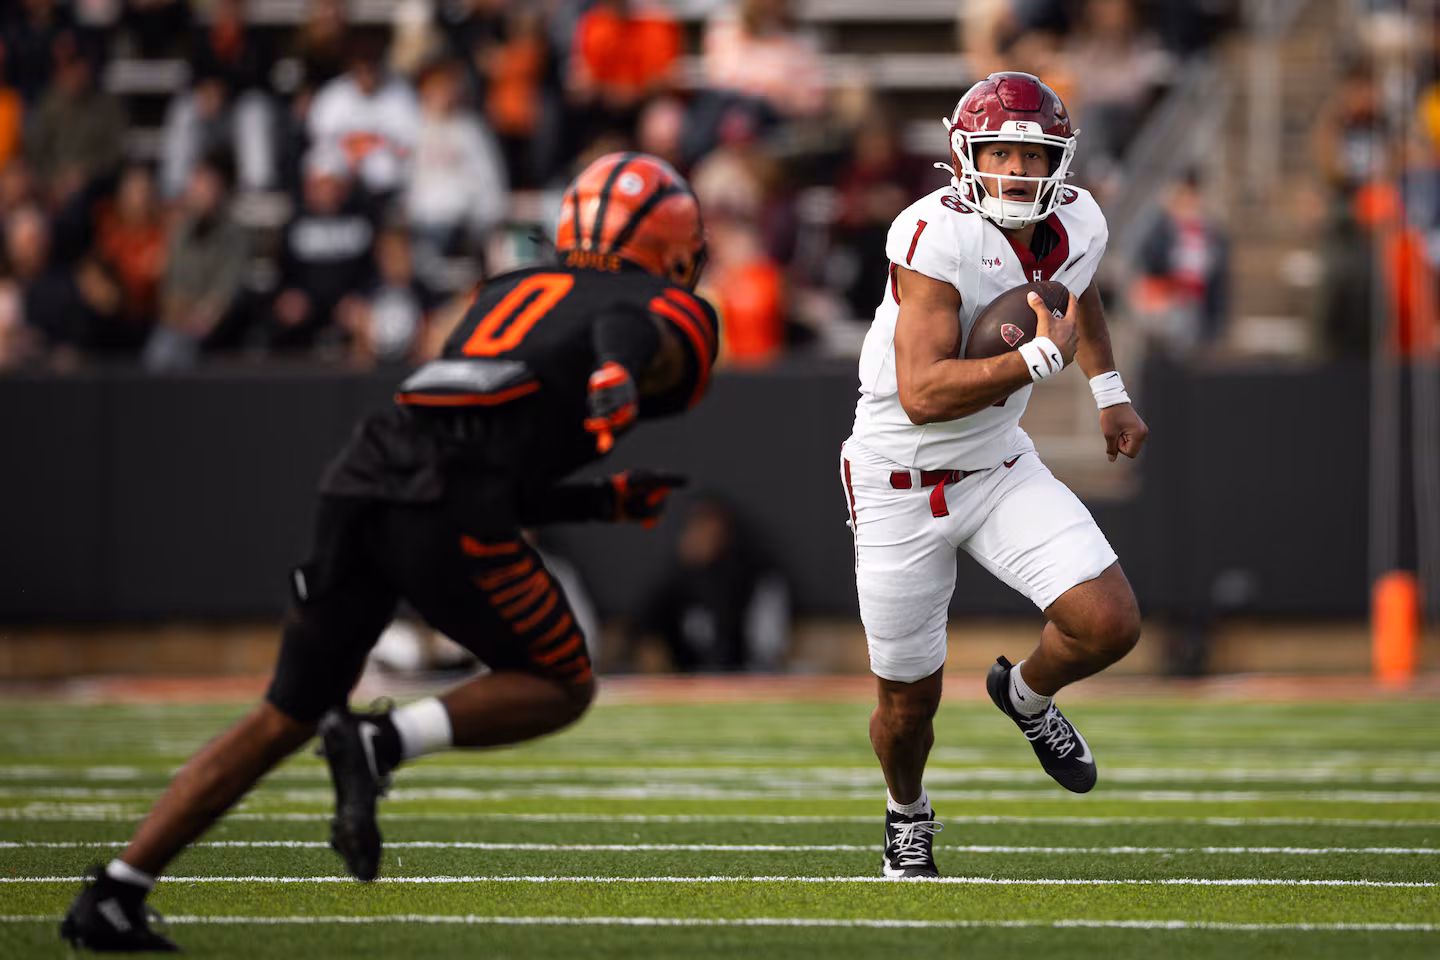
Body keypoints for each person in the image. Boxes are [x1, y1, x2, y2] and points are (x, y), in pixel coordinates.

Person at [60, 151, 718, 952]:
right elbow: (638, 327)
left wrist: (597, 500)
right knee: (563, 682)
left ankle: (118, 889)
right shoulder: (657, 306)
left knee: (284, 714)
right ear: (670, 248)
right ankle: (384, 743)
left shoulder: (503, 293)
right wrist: (618, 365)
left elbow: (484, 451)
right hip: (447, 499)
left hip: (366, 478)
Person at [837, 72, 1147, 879]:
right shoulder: (931, 234)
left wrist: (1108, 390)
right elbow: (922, 393)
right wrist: (1036, 360)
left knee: (1108, 622)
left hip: (998, 463)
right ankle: (907, 812)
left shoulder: (1078, 218)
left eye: (1032, 155)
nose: (1015, 170)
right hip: (899, 480)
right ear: (965, 155)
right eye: (1000, 152)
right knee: (908, 705)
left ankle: (1026, 696)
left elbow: (1078, 287)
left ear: (1060, 161)